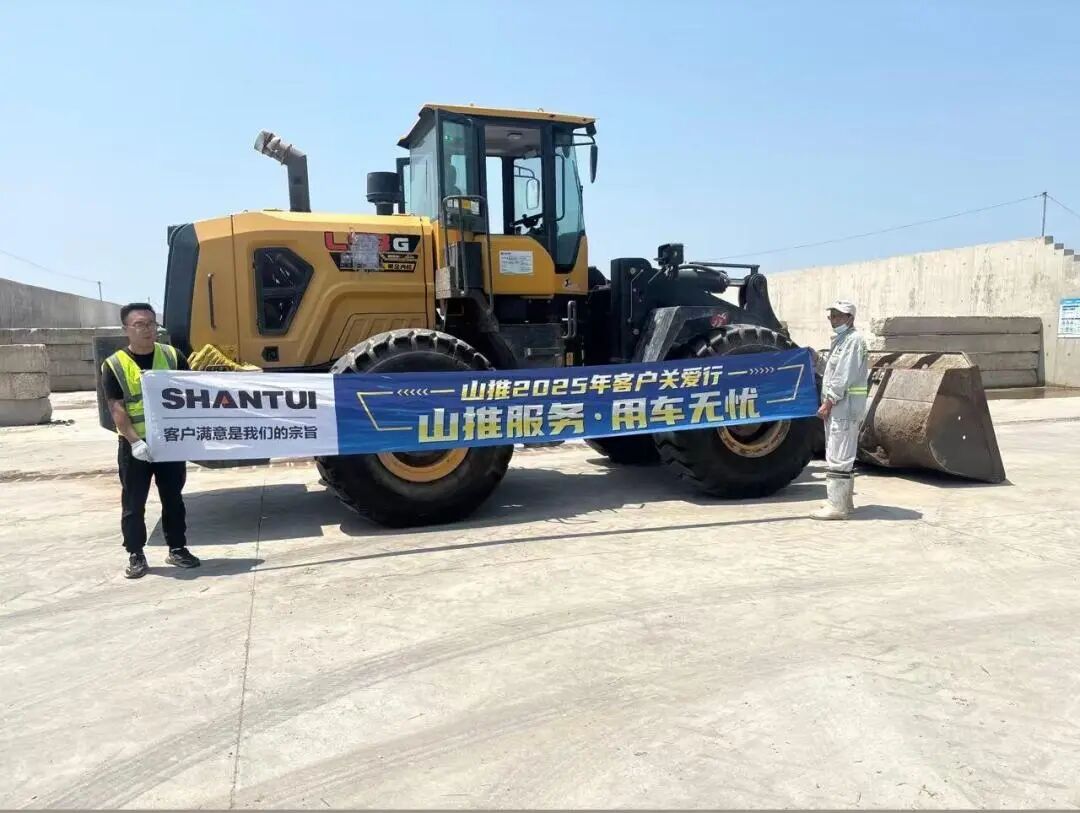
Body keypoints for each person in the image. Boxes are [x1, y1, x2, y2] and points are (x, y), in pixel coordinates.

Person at [102, 303, 200, 577]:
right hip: (135, 445)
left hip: (169, 442)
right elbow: (117, 408)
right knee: (134, 502)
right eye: (139, 325)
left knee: (173, 498)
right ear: (126, 329)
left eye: (151, 324)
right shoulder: (114, 364)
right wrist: (135, 442)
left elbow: (192, 394)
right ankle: (135, 553)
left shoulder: (173, 356)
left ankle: (177, 548)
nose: (147, 330)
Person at [811, 299, 870, 521]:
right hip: (841, 407)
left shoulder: (853, 341)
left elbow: (842, 377)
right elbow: (831, 371)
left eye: (838, 316)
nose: (833, 320)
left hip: (844, 407)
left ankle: (837, 507)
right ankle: (844, 502)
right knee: (839, 453)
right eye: (832, 316)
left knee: (839, 455)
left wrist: (828, 403)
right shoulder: (842, 340)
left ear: (850, 318)